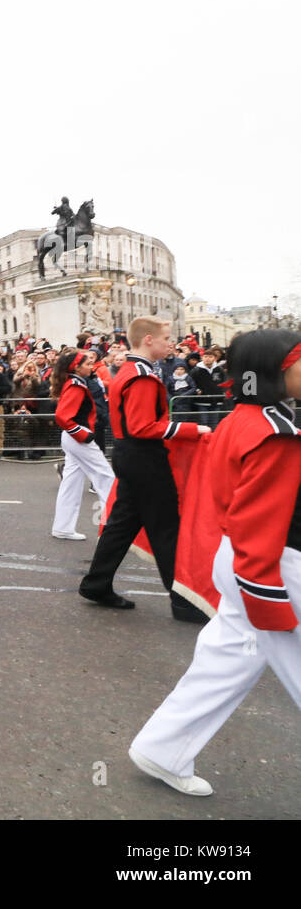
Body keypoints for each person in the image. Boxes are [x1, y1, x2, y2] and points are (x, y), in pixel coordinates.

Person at [129, 329, 301, 796]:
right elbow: (259, 525)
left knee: (225, 661)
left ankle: (164, 748)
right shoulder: (275, 432)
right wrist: (267, 598)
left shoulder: (243, 417)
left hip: (244, 558)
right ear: (273, 371)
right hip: (270, 566)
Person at [78, 316, 211, 620]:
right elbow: (142, 426)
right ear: (148, 339)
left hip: (131, 455)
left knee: (122, 524)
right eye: (166, 338)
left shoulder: (133, 370)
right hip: (144, 457)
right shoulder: (141, 375)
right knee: (165, 528)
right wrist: (191, 430)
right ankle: (182, 600)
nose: (170, 343)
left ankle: (97, 583)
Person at [50, 348, 115, 540]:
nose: (91, 366)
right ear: (77, 368)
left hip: (74, 438)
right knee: (107, 478)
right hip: (78, 439)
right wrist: (83, 434)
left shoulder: (75, 382)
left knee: (71, 482)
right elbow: (62, 416)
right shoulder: (76, 385)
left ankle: (63, 527)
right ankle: (114, 529)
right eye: (87, 364)